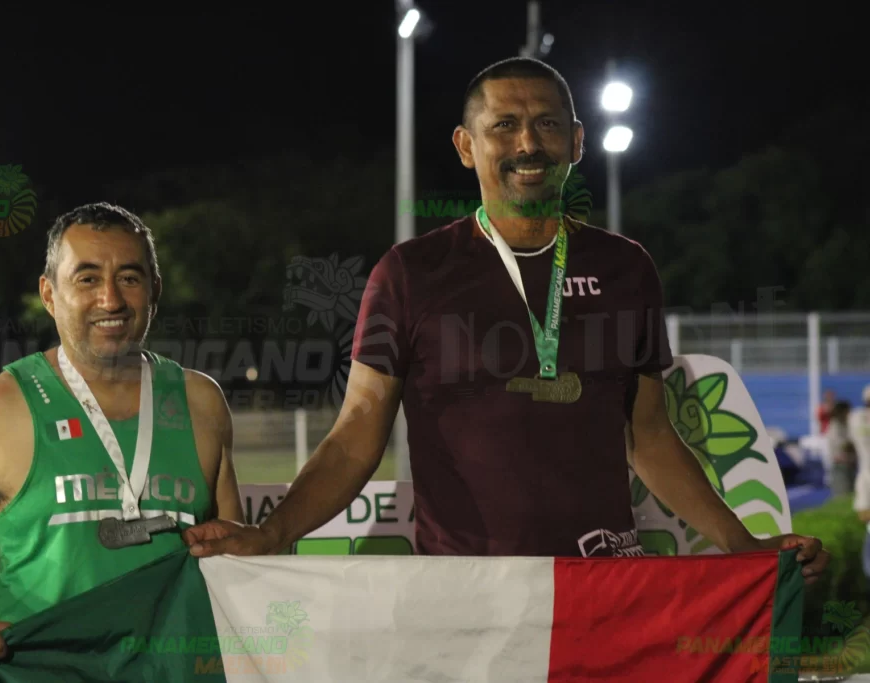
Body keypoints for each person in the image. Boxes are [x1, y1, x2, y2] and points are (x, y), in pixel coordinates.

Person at [185, 56, 829, 581]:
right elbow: (356, 435)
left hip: (602, 583)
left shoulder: (626, 267)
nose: (528, 143)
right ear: (467, 146)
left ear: (577, 141)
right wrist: (271, 533)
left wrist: (743, 546)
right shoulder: (410, 273)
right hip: (468, 595)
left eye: (547, 124)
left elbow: (651, 436)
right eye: (505, 125)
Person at [0, 202, 245, 679]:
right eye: (87, 278)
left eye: (129, 278)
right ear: (49, 293)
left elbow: (237, 556)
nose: (111, 300)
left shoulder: (201, 402)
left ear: (155, 290)